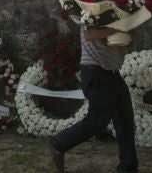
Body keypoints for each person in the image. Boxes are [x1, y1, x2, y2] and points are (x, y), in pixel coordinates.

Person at [48, 26, 137, 173]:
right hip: (96, 71)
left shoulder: (120, 15)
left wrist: (129, 30)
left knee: (125, 119)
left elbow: (127, 41)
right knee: (97, 121)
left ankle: (128, 166)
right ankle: (59, 143)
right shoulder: (92, 12)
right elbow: (90, 34)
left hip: (113, 73)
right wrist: (118, 28)